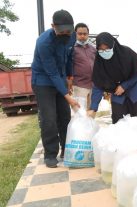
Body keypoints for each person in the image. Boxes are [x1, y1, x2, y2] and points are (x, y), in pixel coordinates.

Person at [31, 9, 79, 168]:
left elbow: (69, 57)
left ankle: (66, 150)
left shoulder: (71, 36)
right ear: (53, 26)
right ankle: (50, 154)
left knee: (65, 117)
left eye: (69, 31)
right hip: (43, 81)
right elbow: (51, 72)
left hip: (60, 77)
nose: (66, 34)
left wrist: (70, 77)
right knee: (49, 118)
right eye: (62, 31)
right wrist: (67, 96)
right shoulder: (44, 42)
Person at [87, 32, 137, 124]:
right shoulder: (99, 62)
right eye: (101, 50)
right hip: (116, 91)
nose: (104, 52)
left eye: (107, 49)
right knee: (118, 119)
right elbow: (98, 84)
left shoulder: (127, 53)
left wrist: (124, 86)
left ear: (113, 45)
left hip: (134, 89)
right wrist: (93, 108)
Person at [72, 23, 96, 109]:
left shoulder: (93, 49)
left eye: (85, 34)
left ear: (88, 34)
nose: (82, 36)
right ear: (75, 34)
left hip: (93, 85)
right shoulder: (72, 49)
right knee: (80, 113)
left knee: (91, 112)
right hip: (79, 85)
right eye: (80, 34)